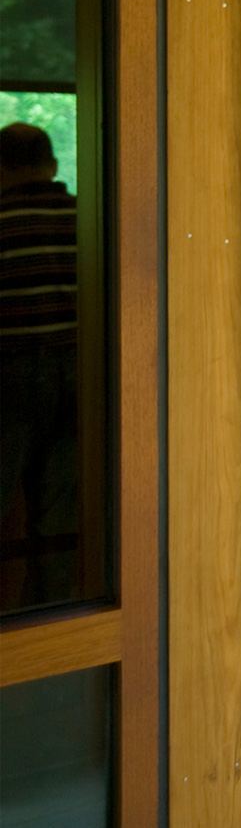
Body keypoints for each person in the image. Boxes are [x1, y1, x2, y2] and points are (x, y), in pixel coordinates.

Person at [0, 122, 81, 608]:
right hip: (80, 373)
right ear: (51, 166)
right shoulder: (84, 217)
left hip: (8, 373)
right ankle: (50, 614)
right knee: (58, 513)